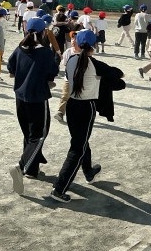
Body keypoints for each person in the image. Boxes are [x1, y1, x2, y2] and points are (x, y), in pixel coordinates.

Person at [50, 30, 109, 203]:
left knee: (80, 140)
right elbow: (118, 75)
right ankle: (59, 189)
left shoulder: (71, 59)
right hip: (86, 107)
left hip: (72, 105)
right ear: (93, 45)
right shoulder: (95, 63)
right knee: (78, 148)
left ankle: (88, 171)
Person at [7, 18, 58, 194]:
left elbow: (11, 68)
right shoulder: (44, 52)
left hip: (20, 98)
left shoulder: (19, 48)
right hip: (37, 98)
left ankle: (32, 169)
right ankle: (20, 167)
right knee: (39, 135)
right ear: (43, 33)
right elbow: (52, 72)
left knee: (29, 135)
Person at [54, 31, 81, 124]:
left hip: (80, 79)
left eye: (76, 39)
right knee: (65, 96)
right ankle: (60, 112)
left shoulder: (84, 53)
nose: (73, 40)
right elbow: (65, 64)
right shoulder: (68, 52)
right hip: (68, 79)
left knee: (78, 97)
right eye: (72, 38)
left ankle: (77, 115)